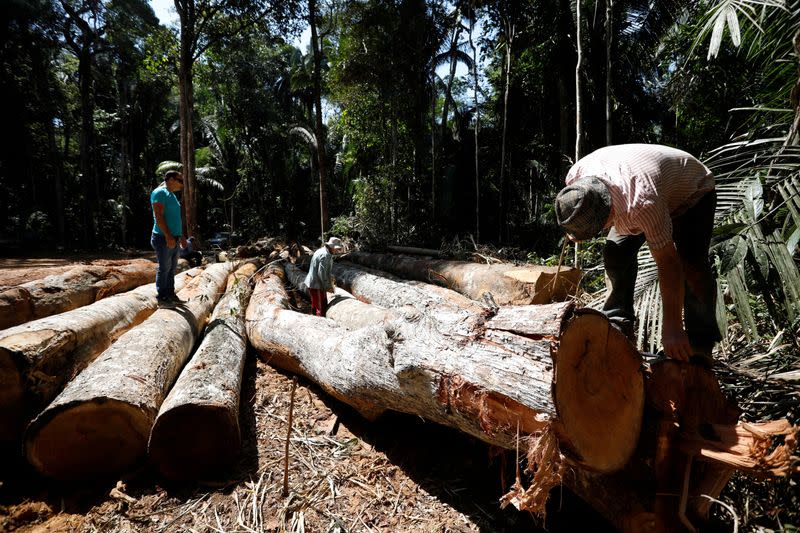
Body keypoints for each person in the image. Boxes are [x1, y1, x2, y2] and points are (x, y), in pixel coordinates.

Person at [554, 144, 721, 362]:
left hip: (692, 192)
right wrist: (577, 230)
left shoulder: (642, 203)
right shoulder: (576, 179)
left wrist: (672, 328)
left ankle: (699, 343)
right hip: (641, 184)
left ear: (608, 212)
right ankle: (617, 324)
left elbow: (668, 262)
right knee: (615, 252)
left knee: (692, 265)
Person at [150, 170, 186, 304]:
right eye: (180, 181)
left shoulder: (172, 195)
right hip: (162, 237)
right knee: (164, 267)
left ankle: (170, 294)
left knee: (171, 268)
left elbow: (175, 219)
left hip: (174, 237)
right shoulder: (160, 193)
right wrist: (168, 236)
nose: (182, 184)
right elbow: (159, 217)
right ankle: (162, 297)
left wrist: (181, 236)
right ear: (170, 179)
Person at [304, 237, 344, 317]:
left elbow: (323, 271)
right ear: (331, 246)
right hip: (316, 284)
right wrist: (328, 287)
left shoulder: (322, 250)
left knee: (317, 304)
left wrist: (330, 277)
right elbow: (321, 273)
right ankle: (320, 324)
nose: (337, 251)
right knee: (321, 307)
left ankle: (313, 319)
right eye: (336, 249)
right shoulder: (325, 255)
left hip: (315, 283)